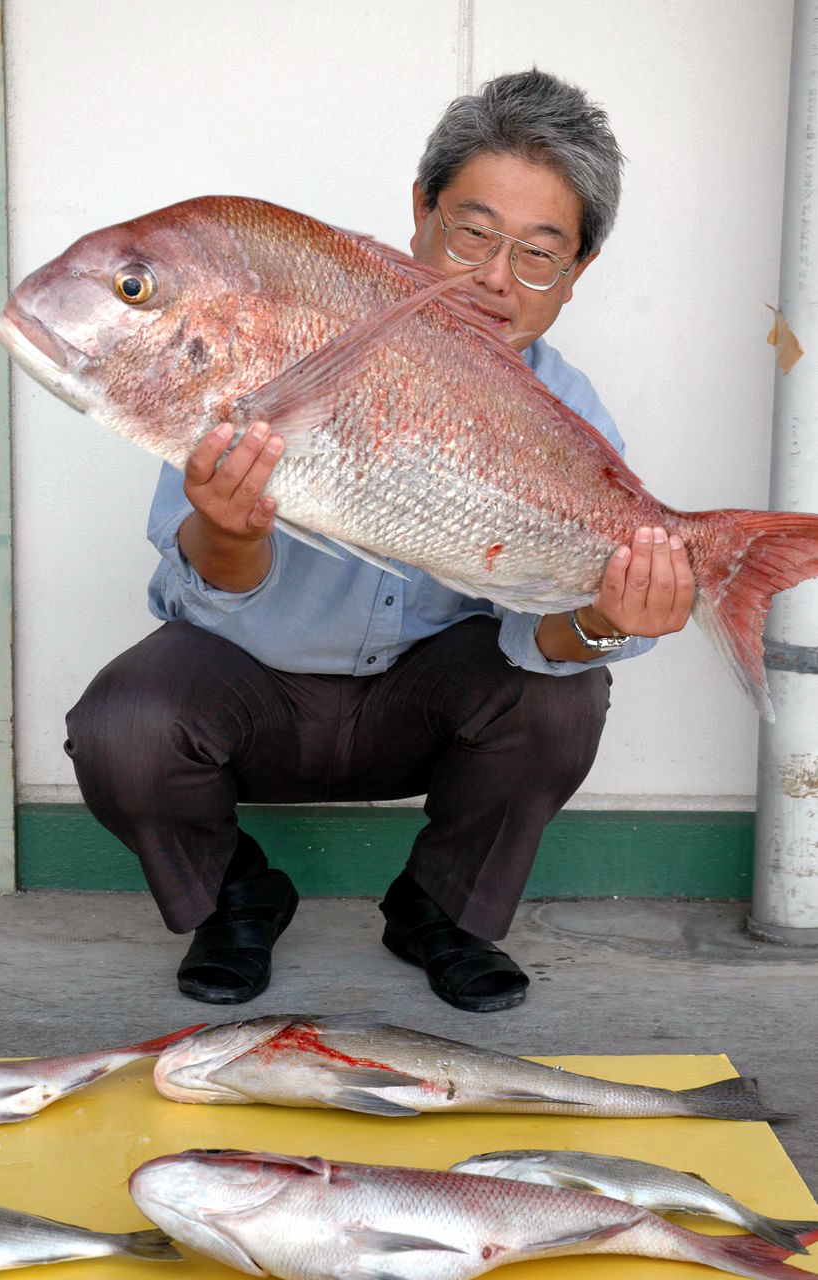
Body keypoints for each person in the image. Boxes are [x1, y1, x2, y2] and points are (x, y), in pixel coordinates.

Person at [65, 66, 695, 1014]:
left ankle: (439, 912)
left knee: (564, 698)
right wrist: (229, 530)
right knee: (125, 724)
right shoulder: (272, 341)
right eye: (472, 232)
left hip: (421, 711)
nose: (494, 277)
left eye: (537, 252)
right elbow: (193, 596)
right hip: (257, 693)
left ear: (577, 271)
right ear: (418, 213)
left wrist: (605, 620)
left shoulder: (566, 412)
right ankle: (236, 897)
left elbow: (546, 635)